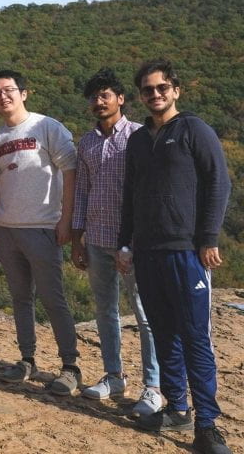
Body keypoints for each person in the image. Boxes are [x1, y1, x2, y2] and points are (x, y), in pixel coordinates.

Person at [120, 60, 231, 454]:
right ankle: (177, 408)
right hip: (147, 251)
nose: (155, 94)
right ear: (140, 95)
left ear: (176, 90)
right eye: (148, 89)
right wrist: (124, 243)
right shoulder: (137, 140)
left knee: (195, 337)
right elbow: (129, 194)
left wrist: (208, 238)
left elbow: (219, 182)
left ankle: (208, 425)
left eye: (162, 87)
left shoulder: (194, 130)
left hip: (186, 251)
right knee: (163, 333)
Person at [71, 68, 161, 415]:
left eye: (105, 94)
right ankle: (114, 376)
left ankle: (153, 386)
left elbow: (149, 191)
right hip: (96, 238)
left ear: (121, 99)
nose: (99, 101)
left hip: (134, 243)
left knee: (145, 314)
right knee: (105, 312)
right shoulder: (87, 142)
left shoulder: (139, 136)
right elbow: (81, 192)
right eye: (94, 97)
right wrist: (77, 239)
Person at [0, 69, 81, 396]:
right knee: (20, 298)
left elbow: (70, 174)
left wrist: (66, 221)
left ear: (23, 93)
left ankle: (70, 366)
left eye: (9, 89)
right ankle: (27, 359)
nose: (3, 96)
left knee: (53, 298)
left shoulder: (46, 127)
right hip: (9, 231)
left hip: (42, 227)